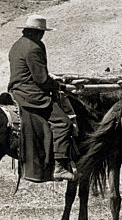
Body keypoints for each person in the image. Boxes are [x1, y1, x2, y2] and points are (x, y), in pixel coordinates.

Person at [7, 15, 76, 182]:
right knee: (63, 123)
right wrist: (59, 86)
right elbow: (41, 80)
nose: (43, 36)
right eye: (42, 32)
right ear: (38, 32)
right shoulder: (34, 47)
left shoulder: (17, 45)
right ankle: (59, 166)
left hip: (16, 91)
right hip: (31, 95)